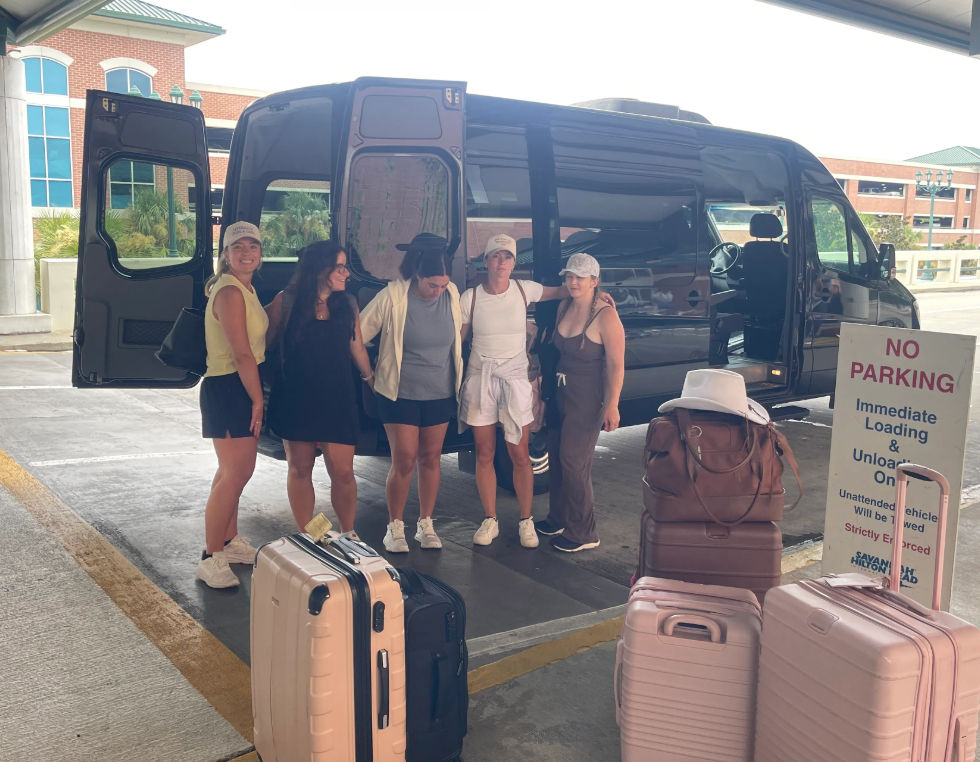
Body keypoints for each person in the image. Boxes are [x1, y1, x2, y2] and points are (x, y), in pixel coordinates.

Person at [459, 233, 614, 548]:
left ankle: (526, 520)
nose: (502, 262)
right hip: (481, 377)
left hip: (515, 378)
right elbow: (457, 340)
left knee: (520, 453)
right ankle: (490, 519)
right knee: (485, 452)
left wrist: (600, 294)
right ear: (486, 260)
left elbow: (566, 289)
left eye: (508, 257)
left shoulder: (522, 289)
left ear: (515, 262)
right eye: (496, 256)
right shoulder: (470, 297)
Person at [360, 233, 463, 553]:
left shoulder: (452, 294)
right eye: (433, 285)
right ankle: (395, 527)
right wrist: (369, 374)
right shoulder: (393, 296)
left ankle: (426, 524)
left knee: (431, 459)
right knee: (404, 459)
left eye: (443, 285)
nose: (439, 291)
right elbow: (358, 333)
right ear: (417, 276)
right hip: (399, 394)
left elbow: (459, 332)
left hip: (440, 392)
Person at [264, 240, 375, 536]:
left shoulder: (348, 303)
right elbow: (265, 344)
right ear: (319, 268)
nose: (346, 273)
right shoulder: (284, 302)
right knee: (300, 469)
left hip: (337, 398)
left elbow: (357, 348)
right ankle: (311, 535)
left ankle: (349, 533)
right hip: (295, 397)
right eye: (339, 267)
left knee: (343, 472)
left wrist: (372, 380)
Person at [535, 252, 625, 552]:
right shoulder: (564, 306)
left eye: (580, 277)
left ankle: (584, 531)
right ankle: (558, 517)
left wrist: (612, 404)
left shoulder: (606, 316)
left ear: (594, 281)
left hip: (588, 398)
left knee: (575, 460)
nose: (573, 282)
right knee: (558, 455)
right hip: (561, 393)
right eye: (569, 276)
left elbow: (615, 364)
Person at [196, 221, 268, 589]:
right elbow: (242, 354)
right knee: (235, 475)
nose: (246, 253)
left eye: (252, 246)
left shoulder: (245, 289)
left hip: (235, 385)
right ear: (225, 255)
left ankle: (229, 540)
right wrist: (257, 399)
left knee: (231, 472)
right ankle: (211, 556)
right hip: (229, 386)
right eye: (237, 247)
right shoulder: (229, 292)